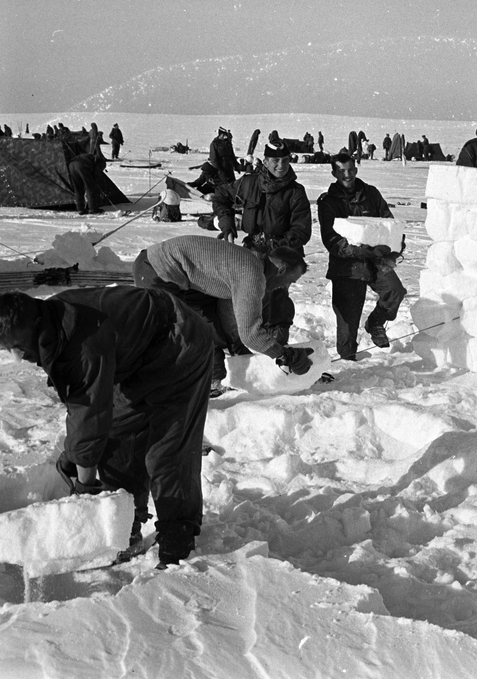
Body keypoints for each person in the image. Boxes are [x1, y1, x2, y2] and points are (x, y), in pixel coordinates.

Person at [0, 286, 214, 568]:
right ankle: (127, 524)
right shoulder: (52, 325)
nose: (16, 357)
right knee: (118, 437)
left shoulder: (82, 346)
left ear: (31, 329)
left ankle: (178, 534)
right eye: (7, 350)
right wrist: (75, 456)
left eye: (16, 347)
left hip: (180, 343)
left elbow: (90, 412)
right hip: (138, 356)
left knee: (168, 449)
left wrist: (84, 485)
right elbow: (85, 408)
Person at [132, 235, 313, 394]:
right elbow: (251, 335)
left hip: (177, 275)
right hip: (157, 269)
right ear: (280, 270)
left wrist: (240, 353)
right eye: (290, 281)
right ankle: (158, 389)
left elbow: (226, 316)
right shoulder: (252, 274)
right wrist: (284, 355)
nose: (286, 287)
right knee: (178, 333)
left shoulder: (248, 264)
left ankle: (214, 381)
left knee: (208, 326)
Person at [211, 142, 312, 344]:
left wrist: (275, 245)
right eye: (275, 161)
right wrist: (227, 224)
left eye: (284, 160)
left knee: (277, 302)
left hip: (282, 257)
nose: (281, 165)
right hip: (252, 252)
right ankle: (248, 347)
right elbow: (220, 196)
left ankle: (277, 349)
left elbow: (301, 231)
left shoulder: (295, 192)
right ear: (265, 161)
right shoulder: (248, 183)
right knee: (248, 299)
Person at [317, 152, 407, 361]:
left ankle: (376, 322)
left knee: (394, 291)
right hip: (346, 265)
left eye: (350, 170)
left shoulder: (371, 194)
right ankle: (347, 361)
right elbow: (331, 240)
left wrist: (395, 246)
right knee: (347, 322)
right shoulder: (328, 201)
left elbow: (388, 224)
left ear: (356, 170)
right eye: (341, 171)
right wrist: (358, 250)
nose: (346, 175)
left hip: (375, 260)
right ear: (334, 173)